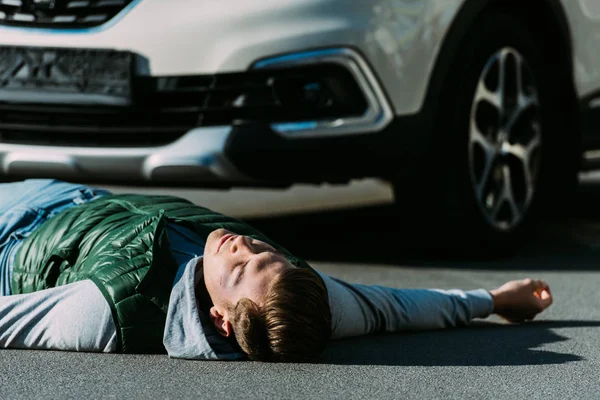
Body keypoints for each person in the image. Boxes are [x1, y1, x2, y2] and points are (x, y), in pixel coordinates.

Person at [0, 179, 553, 362]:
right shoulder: (303, 301)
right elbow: (396, 306)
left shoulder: (107, 313)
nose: (243, 246)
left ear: (220, 320)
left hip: (15, 230)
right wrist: (497, 300)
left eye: (239, 268)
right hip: (84, 197)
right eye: (265, 253)